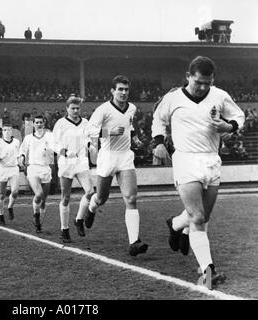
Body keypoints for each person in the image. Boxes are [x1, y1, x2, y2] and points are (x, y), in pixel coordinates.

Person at [151, 56, 245, 289]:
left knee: (203, 216)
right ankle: (208, 271)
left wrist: (229, 126)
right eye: (198, 82)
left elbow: (239, 116)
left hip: (211, 160)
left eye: (208, 82)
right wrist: (159, 142)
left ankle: (174, 224)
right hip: (185, 160)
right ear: (188, 77)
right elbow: (158, 120)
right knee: (198, 218)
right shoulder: (173, 98)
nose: (203, 87)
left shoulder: (220, 96)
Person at [84, 75, 149, 256]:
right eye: (120, 89)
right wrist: (109, 132)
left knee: (131, 198)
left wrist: (134, 137)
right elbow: (88, 130)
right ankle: (91, 208)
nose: (123, 93)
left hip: (126, 156)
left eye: (126, 89)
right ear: (112, 91)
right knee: (102, 197)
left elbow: (129, 125)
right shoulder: (103, 110)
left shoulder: (132, 108)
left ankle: (134, 242)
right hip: (108, 157)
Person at [52, 96, 96, 243]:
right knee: (66, 197)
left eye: (78, 108)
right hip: (66, 163)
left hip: (81, 162)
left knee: (90, 192)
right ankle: (64, 229)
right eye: (73, 108)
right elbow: (53, 143)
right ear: (67, 109)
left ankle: (79, 219)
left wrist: (90, 145)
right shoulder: (61, 123)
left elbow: (92, 135)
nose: (76, 111)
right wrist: (64, 151)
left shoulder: (85, 122)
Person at [19, 115, 55, 233]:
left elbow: (55, 146)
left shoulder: (49, 136)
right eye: (37, 122)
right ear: (33, 124)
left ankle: (39, 224)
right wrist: (21, 158)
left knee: (44, 200)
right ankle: (35, 214)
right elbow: (22, 150)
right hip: (33, 168)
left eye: (41, 122)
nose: (39, 124)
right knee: (38, 194)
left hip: (45, 168)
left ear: (44, 124)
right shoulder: (28, 138)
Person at [0, 124, 21, 226]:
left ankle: (10, 207)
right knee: (2, 194)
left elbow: (19, 154)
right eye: (5, 130)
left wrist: (21, 162)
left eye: (9, 130)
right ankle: (1, 215)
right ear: (2, 131)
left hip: (14, 168)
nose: (7, 131)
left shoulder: (16, 141)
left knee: (15, 191)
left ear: (12, 131)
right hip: (3, 169)